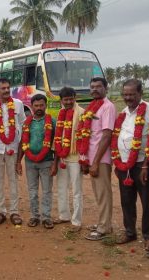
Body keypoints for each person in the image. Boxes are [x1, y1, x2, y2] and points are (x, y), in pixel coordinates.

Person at [111, 79, 149, 259]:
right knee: (126, 200)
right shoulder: (123, 112)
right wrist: (118, 163)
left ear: (140, 94)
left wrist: (146, 164)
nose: (128, 97)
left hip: (142, 164)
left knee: (147, 202)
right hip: (124, 164)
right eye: (125, 94)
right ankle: (130, 232)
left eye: (132, 94)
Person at [77, 77, 117, 241]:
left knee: (103, 193)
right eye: (92, 86)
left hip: (100, 159)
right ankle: (103, 222)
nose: (94, 89)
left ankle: (104, 228)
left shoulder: (107, 107)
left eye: (98, 87)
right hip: (92, 157)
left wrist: (94, 162)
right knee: (98, 193)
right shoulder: (93, 107)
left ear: (105, 88)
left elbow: (107, 136)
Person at [0, 78, 26, 226]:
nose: (6, 90)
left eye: (8, 88)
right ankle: (0, 211)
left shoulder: (18, 104)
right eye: (3, 88)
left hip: (12, 149)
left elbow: (22, 125)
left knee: (13, 180)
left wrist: (21, 153)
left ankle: (14, 212)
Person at [17, 94, 56, 229]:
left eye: (41, 105)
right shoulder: (27, 123)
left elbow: (56, 144)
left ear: (45, 106)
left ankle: (46, 217)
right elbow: (22, 142)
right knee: (32, 191)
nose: (39, 108)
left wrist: (55, 164)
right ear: (32, 106)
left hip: (47, 162)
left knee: (46, 191)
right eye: (36, 105)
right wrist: (18, 162)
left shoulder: (52, 121)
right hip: (30, 162)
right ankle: (34, 216)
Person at [52, 87, 85, 232]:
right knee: (61, 188)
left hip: (76, 157)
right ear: (61, 100)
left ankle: (76, 221)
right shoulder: (60, 113)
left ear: (75, 97)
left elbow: (85, 137)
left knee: (77, 190)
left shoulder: (82, 113)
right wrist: (57, 158)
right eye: (65, 99)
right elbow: (57, 137)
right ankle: (64, 215)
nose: (69, 102)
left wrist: (84, 160)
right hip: (62, 157)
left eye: (71, 98)